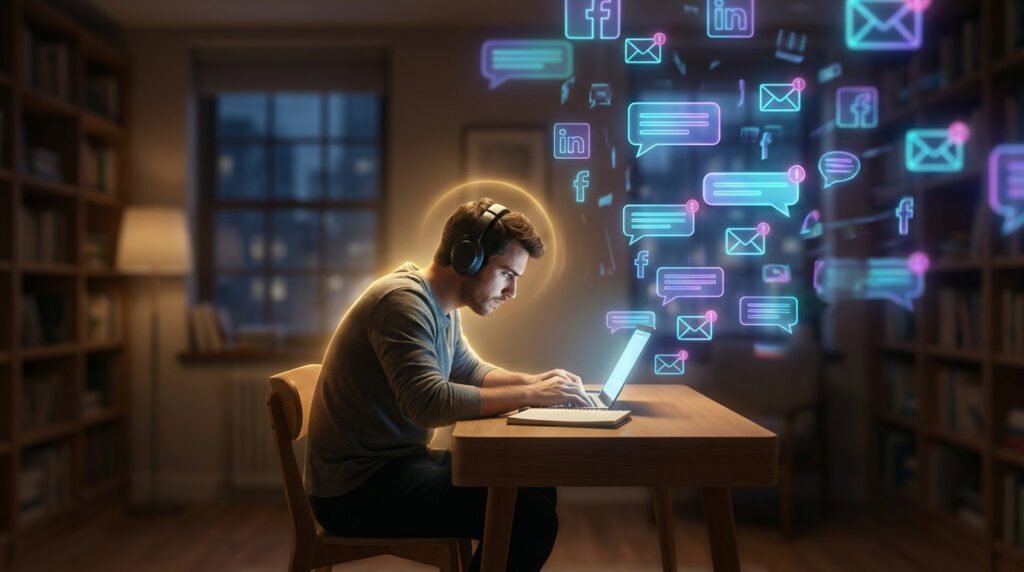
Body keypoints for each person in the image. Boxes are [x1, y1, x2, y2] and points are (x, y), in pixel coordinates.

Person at [305, 197, 590, 571]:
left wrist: (537, 381)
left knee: (534, 487)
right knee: (529, 515)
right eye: (507, 274)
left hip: (395, 467)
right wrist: (532, 395)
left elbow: (469, 369)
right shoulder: (401, 304)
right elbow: (428, 403)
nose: (511, 292)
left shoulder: (440, 306)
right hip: (354, 490)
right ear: (467, 257)